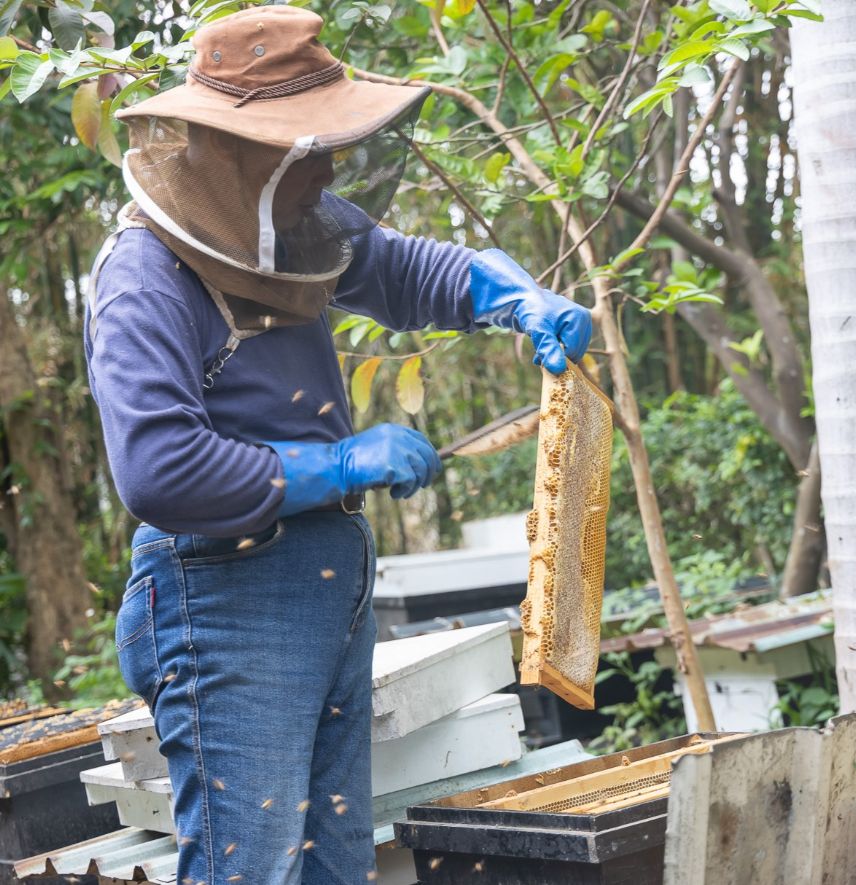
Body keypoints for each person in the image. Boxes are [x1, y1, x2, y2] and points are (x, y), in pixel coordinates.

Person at [83, 6, 590, 884]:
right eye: (308, 148)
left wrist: (516, 297)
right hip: (222, 595)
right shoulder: (144, 278)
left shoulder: (287, 225)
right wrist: (341, 464)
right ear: (238, 149)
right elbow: (158, 467)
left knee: (333, 867)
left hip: (326, 582)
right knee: (253, 871)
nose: (329, 166)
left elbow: (402, 269)